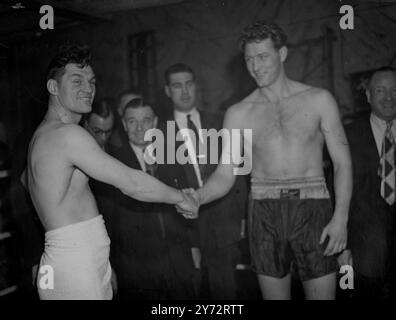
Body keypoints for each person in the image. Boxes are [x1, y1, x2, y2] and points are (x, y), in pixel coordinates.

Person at [188, 21, 352, 300]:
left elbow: (343, 163)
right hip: (264, 210)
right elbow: (225, 175)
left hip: (312, 206)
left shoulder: (319, 100)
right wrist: (198, 197)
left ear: (283, 54)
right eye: (249, 59)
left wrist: (341, 218)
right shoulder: (238, 113)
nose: (255, 66)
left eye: (263, 56)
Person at [25, 44, 198, 300]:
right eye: (77, 81)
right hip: (75, 262)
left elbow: (27, 183)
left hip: (77, 258)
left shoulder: (45, 135)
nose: (88, 88)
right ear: (53, 87)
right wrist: (181, 198)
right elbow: (132, 183)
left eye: (91, 81)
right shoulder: (66, 134)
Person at [157, 63, 249, 299]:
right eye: (177, 86)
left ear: (196, 86)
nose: (185, 91)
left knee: (226, 291)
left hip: (222, 220)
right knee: (191, 291)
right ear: (167, 91)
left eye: (189, 84)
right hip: (183, 224)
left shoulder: (220, 121)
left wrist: (240, 216)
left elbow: (236, 174)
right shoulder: (160, 132)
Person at [339, 66, 396, 299]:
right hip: (364, 248)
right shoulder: (347, 136)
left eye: (394, 90)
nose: (389, 97)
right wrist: (342, 247)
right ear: (368, 96)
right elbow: (336, 193)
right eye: (380, 90)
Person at [108, 97, 170, 299]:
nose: (140, 127)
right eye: (132, 121)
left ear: (154, 123)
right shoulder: (112, 164)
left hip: (175, 262)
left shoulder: (172, 156)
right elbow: (107, 221)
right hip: (135, 266)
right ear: (124, 124)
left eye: (146, 120)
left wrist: (193, 246)